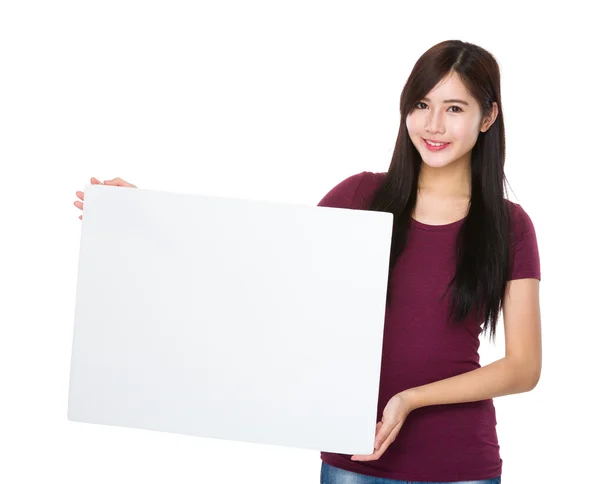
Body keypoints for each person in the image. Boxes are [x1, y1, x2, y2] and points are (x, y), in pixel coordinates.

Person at [73, 39, 541, 484]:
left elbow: (524, 366)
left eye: (453, 108)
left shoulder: (509, 225)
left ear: (488, 116)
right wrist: (144, 218)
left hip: (461, 464)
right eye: (421, 105)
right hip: (354, 461)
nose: (433, 124)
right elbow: (264, 271)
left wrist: (411, 400)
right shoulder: (362, 197)